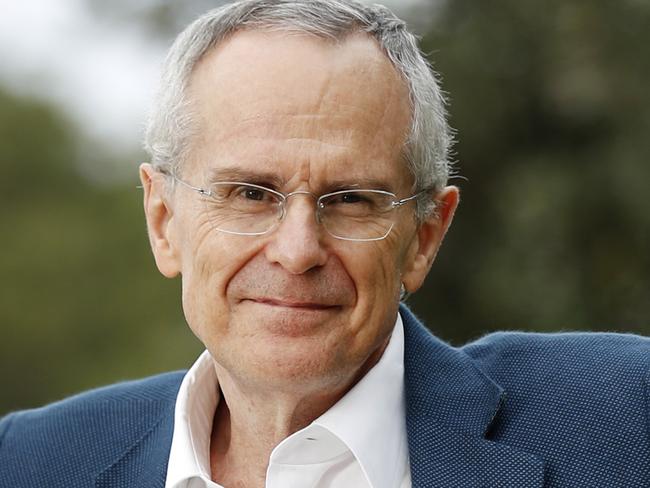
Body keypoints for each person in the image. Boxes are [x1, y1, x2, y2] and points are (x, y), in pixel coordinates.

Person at [1, 0, 649, 487]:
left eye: (351, 200)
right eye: (250, 193)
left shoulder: (620, 415)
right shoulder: (31, 462)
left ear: (425, 236)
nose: (297, 249)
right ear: (164, 219)